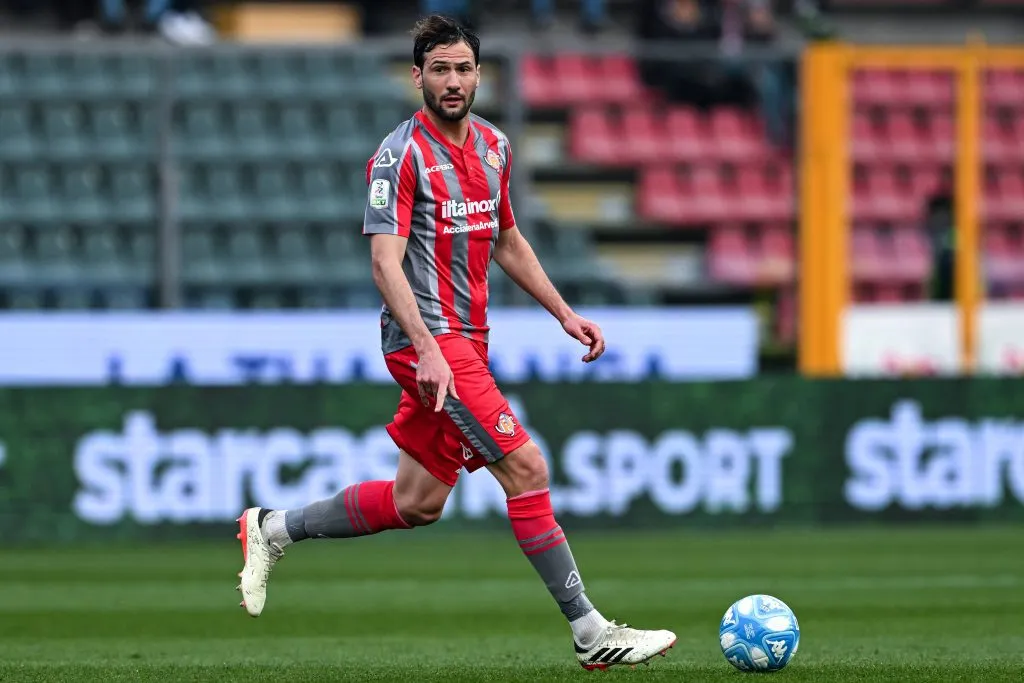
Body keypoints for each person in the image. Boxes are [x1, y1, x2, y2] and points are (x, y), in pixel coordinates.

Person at [234, 14, 676, 672]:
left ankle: (271, 528)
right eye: (439, 69)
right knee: (527, 470)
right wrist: (427, 349)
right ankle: (591, 632)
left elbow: (507, 240)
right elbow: (384, 263)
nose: (452, 81)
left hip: (467, 341)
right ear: (417, 76)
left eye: (463, 69)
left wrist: (563, 313)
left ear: (479, 75)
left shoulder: (495, 147)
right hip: (427, 343)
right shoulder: (398, 156)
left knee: (417, 502)